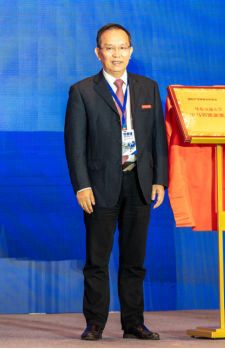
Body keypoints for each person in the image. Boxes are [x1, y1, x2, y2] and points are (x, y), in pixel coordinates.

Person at [64, 23, 168, 341]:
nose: (117, 54)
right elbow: (74, 145)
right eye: (110, 48)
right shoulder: (82, 91)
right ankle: (95, 322)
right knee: (97, 261)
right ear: (98, 53)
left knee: (134, 260)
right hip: (99, 187)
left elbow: (158, 138)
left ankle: (133, 323)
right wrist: (82, 185)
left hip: (139, 182)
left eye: (122, 47)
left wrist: (160, 179)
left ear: (131, 51)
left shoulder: (148, 87)